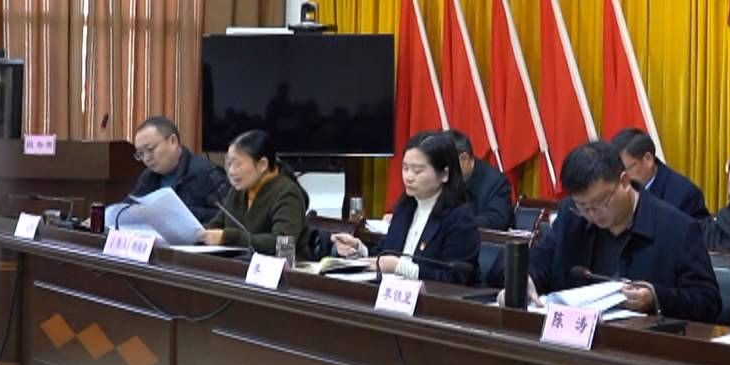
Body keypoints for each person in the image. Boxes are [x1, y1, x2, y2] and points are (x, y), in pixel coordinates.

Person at [530, 141, 720, 322]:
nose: (592, 214)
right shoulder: (571, 216)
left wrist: (656, 297)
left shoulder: (677, 228)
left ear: (624, 181)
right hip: (572, 336)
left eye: (600, 203)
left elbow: (708, 301)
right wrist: (527, 278)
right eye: (583, 206)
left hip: (640, 340)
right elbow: (541, 262)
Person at [330, 132, 479, 283]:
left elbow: (455, 278)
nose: (408, 177)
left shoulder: (459, 217)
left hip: (427, 296)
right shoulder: (405, 208)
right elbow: (385, 253)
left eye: (417, 171)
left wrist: (399, 267)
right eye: (405, 168)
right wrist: (358, 249)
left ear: (444, 174)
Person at [199, 130, 307, 255]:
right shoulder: (238, 190)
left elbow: (283, 244)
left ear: (262, 165)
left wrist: (229, 237)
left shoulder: (287, 193)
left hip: (275, 266)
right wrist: (196, 232)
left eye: (238, 164)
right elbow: (216, 226)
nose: (231, 172)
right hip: (237, 264)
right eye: (229, 164)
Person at [129, 115, 228, 222]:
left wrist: (180, 213)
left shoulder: (206, 172)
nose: (146, 158)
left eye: (150, 149)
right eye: (140, 154)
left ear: (173, 141)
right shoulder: (148, 177)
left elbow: (230, 218)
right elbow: (128, 207)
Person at [611, 128, 709, 221]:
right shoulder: (616, 193)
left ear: (648, 159)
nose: (620, 178)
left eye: (625, 170)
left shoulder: (684, 196)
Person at [446, 128, 515, 230]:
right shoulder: (441, 178)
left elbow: (497, 220)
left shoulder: (496, 183)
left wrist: (458, 222)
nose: (443, 172)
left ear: (464, 159)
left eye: (447, 165)